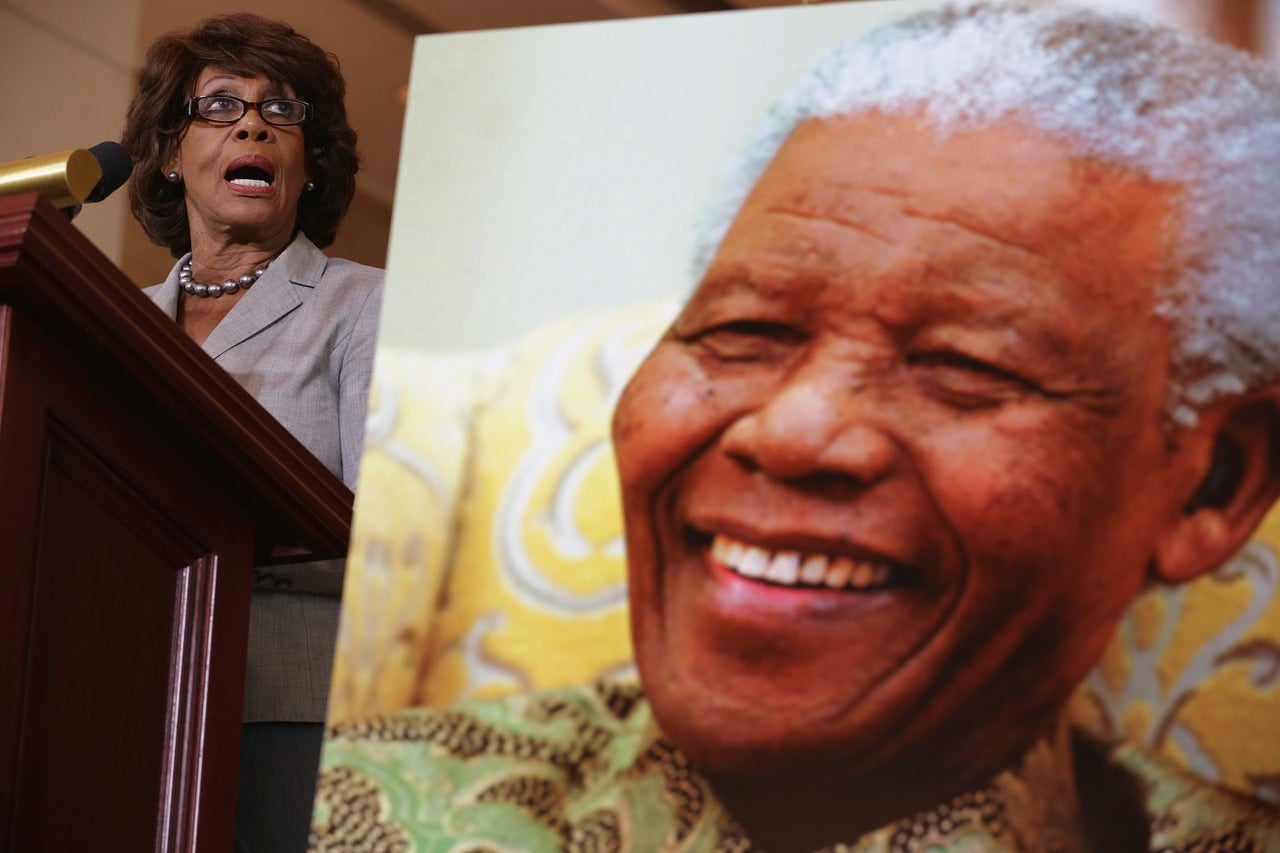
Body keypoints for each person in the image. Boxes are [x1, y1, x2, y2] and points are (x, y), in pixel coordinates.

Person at [314, 3, 1280, 851]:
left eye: (965, 365)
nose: (792, 431)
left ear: (1212, 484)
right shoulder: (367, 801)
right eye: (744, 330)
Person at [122, 13, 382, 852]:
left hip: (289, 700)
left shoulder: (364, 304)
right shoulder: (122, 323)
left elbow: (388, 540)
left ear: (307, 166)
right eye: (221, 105)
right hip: (124, 687)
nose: (254, 124)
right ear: (169, 155)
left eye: (282, 112)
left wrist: (223, 530)